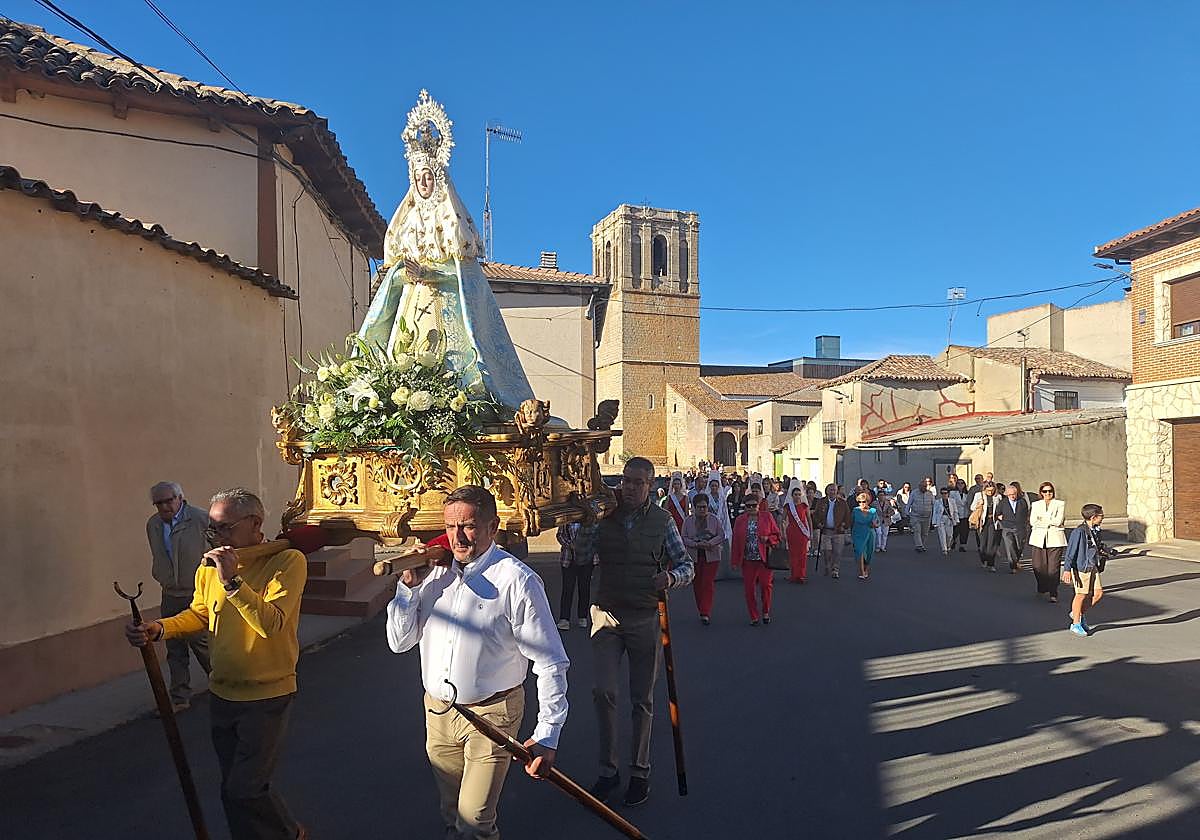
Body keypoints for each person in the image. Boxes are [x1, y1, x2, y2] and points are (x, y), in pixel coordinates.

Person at [125, 488, 307, 840]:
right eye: (212, 529)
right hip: (223, 693)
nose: (216, 537)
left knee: (247, 788)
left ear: (255, 523)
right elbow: (200, 613)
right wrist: (160, 628)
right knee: (231, 789)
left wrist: (233, 581)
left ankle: (289, 834)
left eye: (224, 528)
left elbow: (270, 624)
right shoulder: (210, 569)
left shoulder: (286, 562)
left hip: (267, 696)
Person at [388, 485, 568, 839]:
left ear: (492, 526)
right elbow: (399, 642)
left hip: (493, 715)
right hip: (438, 711)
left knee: (474, 824)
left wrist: (548, 733)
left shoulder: (517, 581)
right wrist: (407, 590)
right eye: (451, 526)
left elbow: (550, 662)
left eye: (468, 526)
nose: (458, 537)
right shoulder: (431, 573)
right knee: (452, 812)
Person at [575, 457, 693, 807]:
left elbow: (686, 564)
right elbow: (580, 555)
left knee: (642, 699)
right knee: (603, 692)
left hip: (644, 617)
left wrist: (671, 578)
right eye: (626, 480)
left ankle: (639, 771)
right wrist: (586, 523)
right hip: (606, 615)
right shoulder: (604, 515)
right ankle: (608, 770)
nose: (629, 487)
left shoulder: (663, 521)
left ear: (650, 487)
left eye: (638, 483)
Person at [145, 481, 211, 711]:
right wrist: (161, 576)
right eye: (159, 503)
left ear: (180, 498)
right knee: (174, 647)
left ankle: (226, 688)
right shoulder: (153, 524)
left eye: (168, 500)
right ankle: (179, 697)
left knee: (201, 644)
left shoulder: (201, 519)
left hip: (195, 592)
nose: (164, 507)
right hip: (170, 592)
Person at [731, 489, 781, 624]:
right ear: (745, 507)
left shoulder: (767, 517)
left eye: (754, 505)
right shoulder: (740, 520)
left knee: (766, 586)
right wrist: (735, 561)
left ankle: (765, 611)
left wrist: (768, 539)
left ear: (759, 505)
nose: (752, 508)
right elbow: (735, 541)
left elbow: (777, 535)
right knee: (749, 590)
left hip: (764, 559)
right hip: (748, 560)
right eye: (749, 506)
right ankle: (753, 615)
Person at [1063, 504, 1107, 636]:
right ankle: (1076, 623)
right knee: (1081, 595)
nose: (1102, 518)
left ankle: (1078, 613)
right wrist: (1067, 569)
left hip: (1092, 566)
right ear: (1094, 517)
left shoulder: (1095, 530)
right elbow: (1071, 551)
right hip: (1081, 567)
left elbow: (1096, 546)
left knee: (1098, 593)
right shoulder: (1079, 532)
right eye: (1101, 516)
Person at [681, 493, 725, 624]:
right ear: (694, 508)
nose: (702, 510)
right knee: (697, 584)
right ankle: (701, 608)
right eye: (699, 507)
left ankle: (705, 611)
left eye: (704, 507)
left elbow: (721, 535)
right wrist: (695, 544)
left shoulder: (714, 520)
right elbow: (683, 538)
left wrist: (710, 543)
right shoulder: (688, 521)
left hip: (711, 556)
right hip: (694, 556)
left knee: (707, 583)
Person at [1028, 482, 1067, 604]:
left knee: (1053, 569)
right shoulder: (1036, 504)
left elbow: (1058, 520)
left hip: (1055, 539)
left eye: (1050, 491)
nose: (1047, 493)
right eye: (1045, 491)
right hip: (1038, 538)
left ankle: (1053, 592)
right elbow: (1033, 521)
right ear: (1041, 492)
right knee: (1038, 566)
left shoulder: (1059, 504)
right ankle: (1042, 586)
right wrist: (1049, 520)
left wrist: (1043, 519)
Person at [556, 521, 595, 629]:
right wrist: (569, 544)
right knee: (567, 589)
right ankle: (564, 619)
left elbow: (597, 536)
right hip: (569, 558)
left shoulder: (591, 518)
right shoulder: (567, 519)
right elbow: (560, 535)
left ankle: (582, 617)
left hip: (587, 558)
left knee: (584, 588)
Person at [811, 483, 851, 579]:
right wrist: (819, 523)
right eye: (830, 490)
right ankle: (827, 565)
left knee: (837, 552)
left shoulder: (842, 503)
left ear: (837, 491)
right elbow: (815, 515)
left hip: (838, 531)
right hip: (825, 531)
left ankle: (835, 569)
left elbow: (848, 516)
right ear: (827, 491)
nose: (832, 492)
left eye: (834, 490)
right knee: (826, 551)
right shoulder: (821, 502)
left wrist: (844, 525)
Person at [995, 483, 1030, 574]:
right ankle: (1013, 566)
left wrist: (1026, 523)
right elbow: (997, 513)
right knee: (1010, 546)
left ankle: (1016, 560)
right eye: (1010, 495)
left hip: (1020, 528)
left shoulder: (1022, 501)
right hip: (1007, 527)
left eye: (1013, 494)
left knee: (1019, 546)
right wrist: (999, 517)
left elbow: (1026, 513)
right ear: (1007, 494)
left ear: (1016, 493)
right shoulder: (1003, 502)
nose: (1012, 496)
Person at [784, 480, 812, 583]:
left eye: (799, 494)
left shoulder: (805, 506)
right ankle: (794, 575)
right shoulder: (788, 506)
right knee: (793, 554)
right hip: (791, 531)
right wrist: (782, 531)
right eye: (795, 494)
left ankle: (801, 575)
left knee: (802, 554)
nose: (797, 496)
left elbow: (809, 519)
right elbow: (783, 519)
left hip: (802, 532)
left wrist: (811, 532)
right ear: (792, 495)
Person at [971, 481, 1002, 571]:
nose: (990, 492)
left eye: (992, 491)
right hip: (982, 522)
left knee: (991, 544)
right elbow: (971, 507)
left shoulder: (998, 497)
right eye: (988, 491)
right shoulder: (979, 495)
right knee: (983, 544)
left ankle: (991, 563)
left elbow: (1000, 508)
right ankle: (983, 560)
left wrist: (1000, 515)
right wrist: (978, 504)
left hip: (993, 521)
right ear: (984, 489)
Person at [851, 492, 878, 580]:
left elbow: (877, 523)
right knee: (860, 551)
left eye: (864, 501)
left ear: (868, 501)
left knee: (869, 553)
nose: (862, 503)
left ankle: (866, 569)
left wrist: (874, 525)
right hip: (858, 533)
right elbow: (851, 522)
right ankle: (861, 571)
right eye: (860, 502)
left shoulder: (873, 511)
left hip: (870, 533)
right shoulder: (855, 510)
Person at [932, 485, 963, 556]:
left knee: (949, 535)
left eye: (945, 493)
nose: (944, 495)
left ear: (948, 493)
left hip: (949, 519)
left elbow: (955, 511)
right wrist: (934, 522)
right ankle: (944, 549)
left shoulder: (952, 501)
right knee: (942, 534)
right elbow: (935, 512)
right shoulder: (937, 502)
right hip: (941, 519)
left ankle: (948, 545)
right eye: (942, 493)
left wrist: (957, 519)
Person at [908, 479, 936, 553]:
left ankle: (922, 545)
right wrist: (907, 513)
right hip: (916, 516)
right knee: (917, 530)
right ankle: (919, 545)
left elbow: (934, 504)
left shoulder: (930, 494)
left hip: (927, 516)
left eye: (925, 486)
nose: (924, 488)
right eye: (922, 486)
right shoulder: (914, 493)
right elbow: (909, 503)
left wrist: (935, 516)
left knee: (925, 533)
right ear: (919, 486)